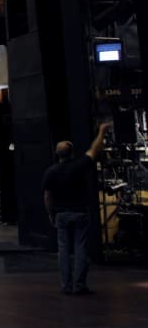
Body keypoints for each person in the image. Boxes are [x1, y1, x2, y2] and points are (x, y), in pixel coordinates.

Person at [42, 119, 112, 295]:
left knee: (63, 251)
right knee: (81, 249)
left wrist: (51, 214)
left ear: (58, 154)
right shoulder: (78, 166)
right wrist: (102, 132)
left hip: (61, 214)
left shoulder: (51, 171)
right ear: (72, 153)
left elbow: (47, 196)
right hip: (79, 212)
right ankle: (79, 285)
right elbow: (94, 150)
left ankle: (66, 285)